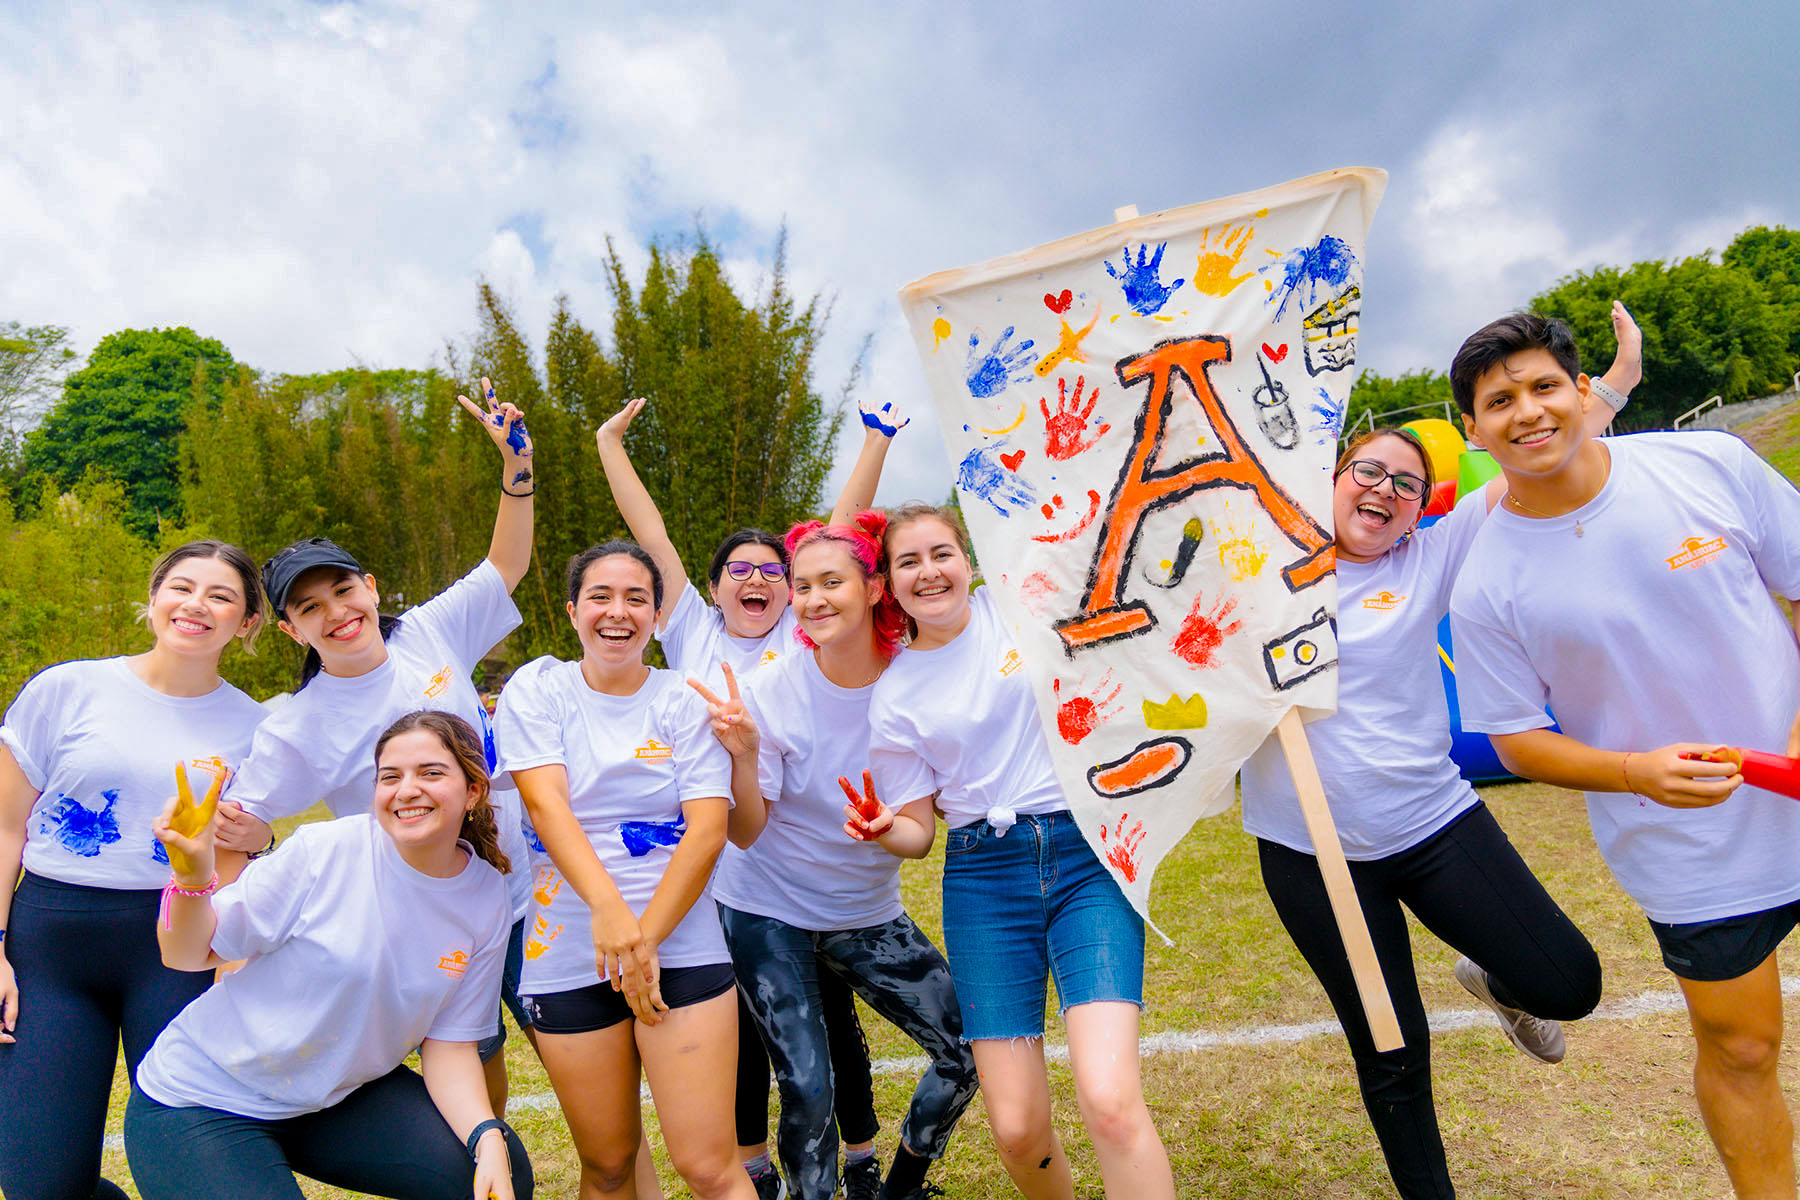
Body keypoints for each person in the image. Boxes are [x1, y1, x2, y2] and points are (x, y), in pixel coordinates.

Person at [1237, 303, 1641, 1198]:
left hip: (1433, 822)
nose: (1383, 490)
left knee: (1569, 982)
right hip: (1313, 854)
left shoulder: (1431, 557)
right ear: (1332, 480)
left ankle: (1494, 979)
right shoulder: (1252, 567)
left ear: (1424, 507)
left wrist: (1610, 386)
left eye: (1407, 484)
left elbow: (1526, 463)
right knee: (1392, 1052)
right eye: (1367, 472)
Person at [1446, 311, 1800, 1199]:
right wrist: (1635, 773)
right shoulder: (1485, 579)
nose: (1526, 413)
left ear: (1579, 392)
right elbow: (1516, 740)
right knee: (1743, 1044)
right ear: (1472, 430)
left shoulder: (1702, 464)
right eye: (1499, 402)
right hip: (1688, 846)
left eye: (1542, 387)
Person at [597, 395, 903, 1197]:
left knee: (832, 1022)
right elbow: (652, 534)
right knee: (732, 1024)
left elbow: (841, 531)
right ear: (708, 587)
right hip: (719, 861)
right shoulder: (691, 632)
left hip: (806, 859)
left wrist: (874, 441)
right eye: (743, 569)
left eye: (776, 570)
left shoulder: (805, 629)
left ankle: (864, 1161)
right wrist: (609, 448)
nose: (762, 579)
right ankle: (756, 1169)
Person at [219, 378, 538, 1114]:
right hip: (424, 914)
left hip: (525, 891)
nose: (336, 613)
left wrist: (515, 468)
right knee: (473, 1065)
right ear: (293, 630)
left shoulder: (429, 631)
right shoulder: (297, 726)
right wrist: (232, 944)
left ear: (370, 585)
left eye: (343, 591)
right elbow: (241, 825)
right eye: (309, 607)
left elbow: (507, 564)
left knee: (574, 1054)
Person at [853, 502, 1175, 1200]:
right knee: (1017, 1128)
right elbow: (919, 832)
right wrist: (887, 829)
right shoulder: (894, 695)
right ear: (887, 584)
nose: (928, 571)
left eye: (941, 552)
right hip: (983, 881)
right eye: (907, 561)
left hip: (1085, 855)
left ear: (968, 559)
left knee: (1111, 1099)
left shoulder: (1022, 610)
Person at [124, 710, 532, 1200]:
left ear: (473, 791)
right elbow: (188, 953)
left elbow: (450, 1044)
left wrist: (485, 1135)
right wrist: (191, 879)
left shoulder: (486, 894)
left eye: (430, 773)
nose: (406, 790)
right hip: (203, 1102)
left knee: (499, 1170)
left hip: (333, 1101)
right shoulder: (326, 851)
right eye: (390, 776)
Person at [690, 512, 977, 1200]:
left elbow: (919, 836)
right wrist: (745, 755)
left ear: (875, 587)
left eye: (832, 582)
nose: (814, 598)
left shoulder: (916, 683)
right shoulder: (773, 688)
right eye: (804, 584)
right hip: (766, 911)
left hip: (865, 913)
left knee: (967, 1053)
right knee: (809, 1091)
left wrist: (884, 829)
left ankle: (899, 1186)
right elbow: (745, 831)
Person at [0, 539, 267, 1200]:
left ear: (248, 622)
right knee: (38, 1186)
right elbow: (4, 829)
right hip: (50, 949)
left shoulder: (257, 729)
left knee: (188, 1169)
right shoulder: (67, 688)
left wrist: (256, 835)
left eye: (221, 595)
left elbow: (237, 865)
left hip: (175, 955)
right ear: (153, 599)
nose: (195, 605)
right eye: (181, 586)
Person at [496, 541, 751, 1200]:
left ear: (657, 614)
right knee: (608, 1166)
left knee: (707, 1167)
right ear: (573, 610)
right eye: (601, 597)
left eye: (636, 597)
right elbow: (546, 805)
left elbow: (709, 831)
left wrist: (642, 940)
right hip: (568, 952)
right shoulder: (539, 686)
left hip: (682, 947)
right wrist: (610, 915)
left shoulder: (683, 699)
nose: (618, 612)